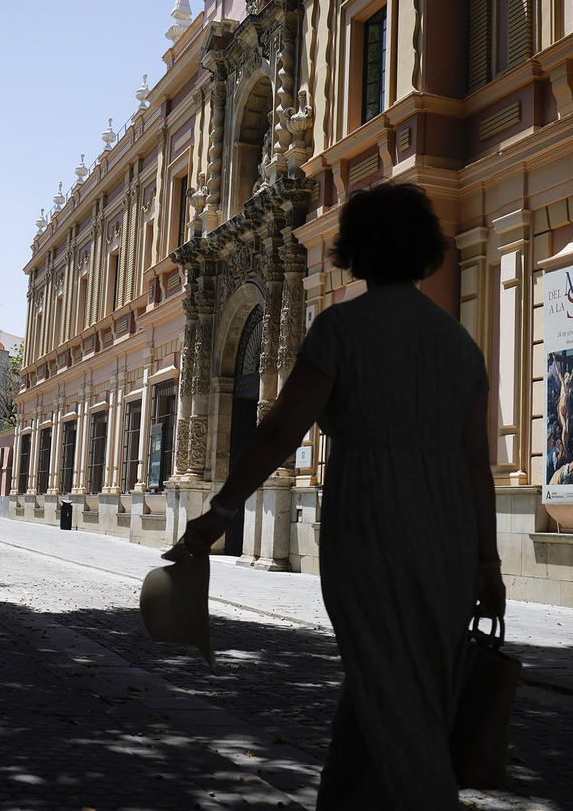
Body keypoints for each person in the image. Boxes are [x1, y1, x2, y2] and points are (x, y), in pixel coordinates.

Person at [169, 183, 504, 809]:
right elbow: (475, 466)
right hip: (449, 537)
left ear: (358, 250)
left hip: (370, 523)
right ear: (423, 251)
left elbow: (277, 432)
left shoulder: (341, 328)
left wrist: (219, 512)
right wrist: (487, 563)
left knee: (385, 685)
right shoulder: (459, 345)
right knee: (401, 684)